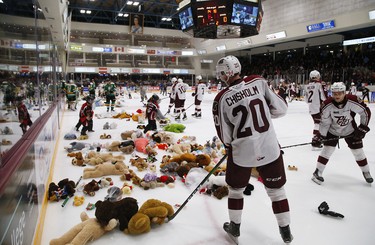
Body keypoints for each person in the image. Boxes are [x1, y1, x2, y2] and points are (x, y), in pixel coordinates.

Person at [212, 55, 292, 244]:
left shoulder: (221, 99)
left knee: (236, 191)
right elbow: (281, 109)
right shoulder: (258, 81)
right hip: (270, 148)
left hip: (242, 154)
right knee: (277, 192)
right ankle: (285, 231)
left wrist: (234, 146)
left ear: (225, 73)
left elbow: (226, 137)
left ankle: (234, 228)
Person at [311, 82, 373, 185]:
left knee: (358, 152)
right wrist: (321, 135)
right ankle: (317, 172)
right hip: (333, 130)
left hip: (350, 130)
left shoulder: (352, 100)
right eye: (335, 93)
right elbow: (325, 122)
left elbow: (365, 112)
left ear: (344, 93)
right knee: (327, 150)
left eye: (340, 93)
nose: (337, 96)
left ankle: (366, 171)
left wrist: (363, 127)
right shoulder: (327, 104)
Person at [304, 70, 327, 148]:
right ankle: (315, 141)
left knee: (318, 123)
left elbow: (306, 99)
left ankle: (317, 139)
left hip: (311, 107)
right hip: (318, 107)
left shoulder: (306, 86)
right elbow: (323, 97)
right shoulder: (319, 85)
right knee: (318, 124)